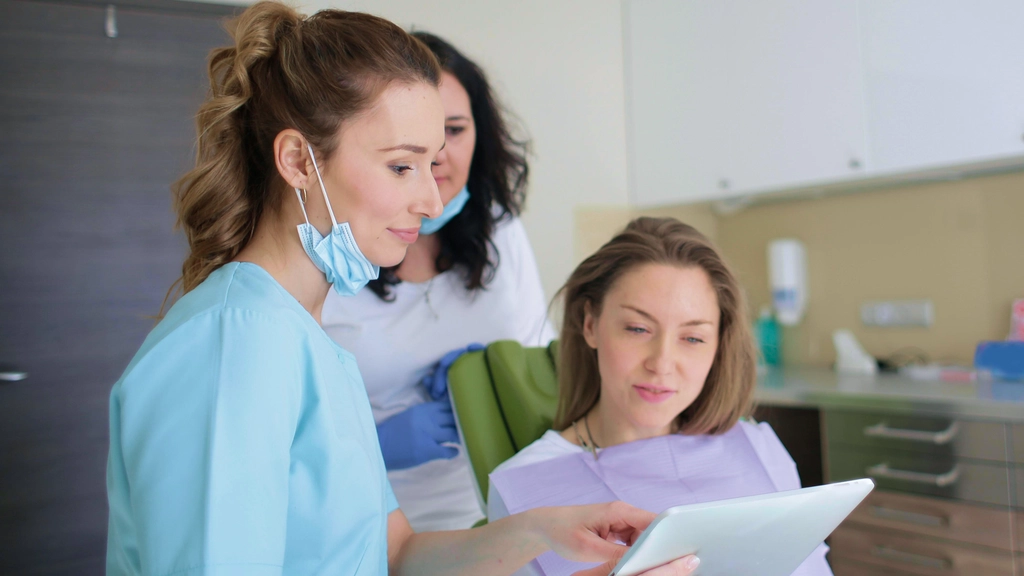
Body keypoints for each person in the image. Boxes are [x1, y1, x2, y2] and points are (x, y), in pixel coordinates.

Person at [104, 3, 699, 575]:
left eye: (434, 163)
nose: (432, 199)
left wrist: (542, 532)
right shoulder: (236, 344)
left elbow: (395, 556)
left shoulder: (309, 341)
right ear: (298, 161)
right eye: (401, 166)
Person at [487, 217, 833, 576]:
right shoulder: (523, 486)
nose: (662, 364)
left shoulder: (757, 447)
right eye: (638, 328)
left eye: (693, 338)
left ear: (718, 345)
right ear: (590, 324)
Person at [321, 31, 554, 532]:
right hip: (374, 524)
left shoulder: (501, 230)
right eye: (416, 142)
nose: (437, 156)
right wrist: (376, 443)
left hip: (501, 512)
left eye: (454, 129)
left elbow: (544, 355)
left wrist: (498, 369)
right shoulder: (333, 255)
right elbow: (289, 436)